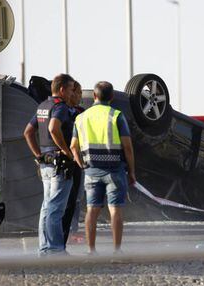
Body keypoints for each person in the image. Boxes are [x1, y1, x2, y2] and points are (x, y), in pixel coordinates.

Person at [70, 81, 136, 255]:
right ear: (112, 97)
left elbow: (73, 146)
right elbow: (128, 147)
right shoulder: (116, 116)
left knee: (92, 209)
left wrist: (81, 164)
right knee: (115, 209)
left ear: (94, 96)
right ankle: (116, 250)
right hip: (115, 170)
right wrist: (132, 171)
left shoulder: (81, 117)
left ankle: (92, 251)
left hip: (91, 170)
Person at [23, 74, 75, 255]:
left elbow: (28, 132)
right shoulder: (60, 107)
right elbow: (54, 128)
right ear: (61, 89)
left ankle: (44, 247)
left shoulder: (42, 106)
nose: (71, 93)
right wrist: (67, 152)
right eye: (70, 89)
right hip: (59, 165)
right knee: (56, 208)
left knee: (46, 206)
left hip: (45, 163)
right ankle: (55, 249)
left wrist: (39, 155)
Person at [63, 81, 85, 244]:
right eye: (78, 93)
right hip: (66, 160)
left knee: (76, 198)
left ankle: (73, 230)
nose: (80, 96)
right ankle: (68, 232)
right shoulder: (61, 112)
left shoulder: (81, 112)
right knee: (65, 198)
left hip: (79, 160)